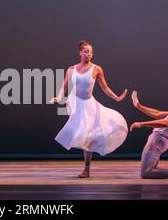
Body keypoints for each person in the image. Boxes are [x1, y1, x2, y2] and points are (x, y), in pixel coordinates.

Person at [51, 40, 128, 178]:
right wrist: (58, 97)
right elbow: (64, 86)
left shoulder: (97, 69)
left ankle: (86, 169)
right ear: (80, 52)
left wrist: (116, 97)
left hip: (89, 106)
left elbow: (105, 88)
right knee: (82, 135)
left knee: (88, 136)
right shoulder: (71, 69)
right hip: (76, 104)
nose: (89, 54)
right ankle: (86, 168)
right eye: (86, 51)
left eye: (91, 52)